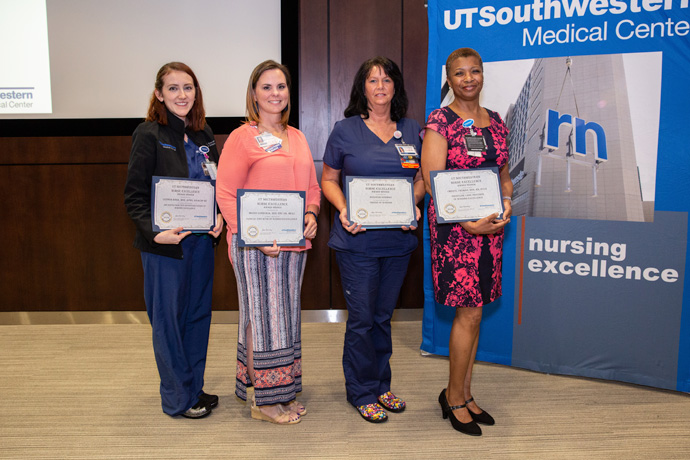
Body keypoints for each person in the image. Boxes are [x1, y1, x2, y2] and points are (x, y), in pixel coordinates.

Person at [215, 60, 321, 425]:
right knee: (262, 317)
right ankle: (264, 401)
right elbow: (226, 193)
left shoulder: (299, 136)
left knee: (285, 317)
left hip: (294, 247)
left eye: (281, 86)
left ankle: (281, 391)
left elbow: (311, 188)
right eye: (267, 87)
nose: (275, 93)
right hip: (253, 247)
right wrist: (254, 238)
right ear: (254, 94)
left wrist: (311, 214)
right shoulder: (242, 137)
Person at [321, 57, 425, 423]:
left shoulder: (413, 130)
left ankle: (381, 385)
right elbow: (329, 179)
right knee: (362, 319)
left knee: (383, 318)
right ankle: (361, 392)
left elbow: (422, 180)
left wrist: (411, 204)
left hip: (398, 243)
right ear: (362, 88)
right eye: (372, 80)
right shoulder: (345, 129)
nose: (380, 86)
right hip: (357, 243)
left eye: (386, 79)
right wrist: (344, 210)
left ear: (396, 86)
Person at [421, 48, 513, 436]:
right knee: (469, 313)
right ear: (450, 79)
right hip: (456, 231)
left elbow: (505, 176)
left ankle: (464, 392)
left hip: (490, 228)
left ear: (482, 75)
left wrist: (506, 203)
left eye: (474, 71)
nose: (469, 79)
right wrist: (468, 222)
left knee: (475, 313)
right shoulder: (440, 122)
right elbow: (432, 181)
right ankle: (453, 397)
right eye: (460, 73)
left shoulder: (497, 122)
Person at [124, 62, 223, 419]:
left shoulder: (204, 135)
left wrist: (220, 217)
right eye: (174, 88)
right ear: (159, 94)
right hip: (165, 246)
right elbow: (134, 197)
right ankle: (177, 398)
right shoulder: (149, 134)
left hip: (200, 244)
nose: (182, 95)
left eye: (188, 88)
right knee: (168, 321)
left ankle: (193, 387)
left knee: (197, 316)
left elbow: (218, 186)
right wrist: (155, 232)